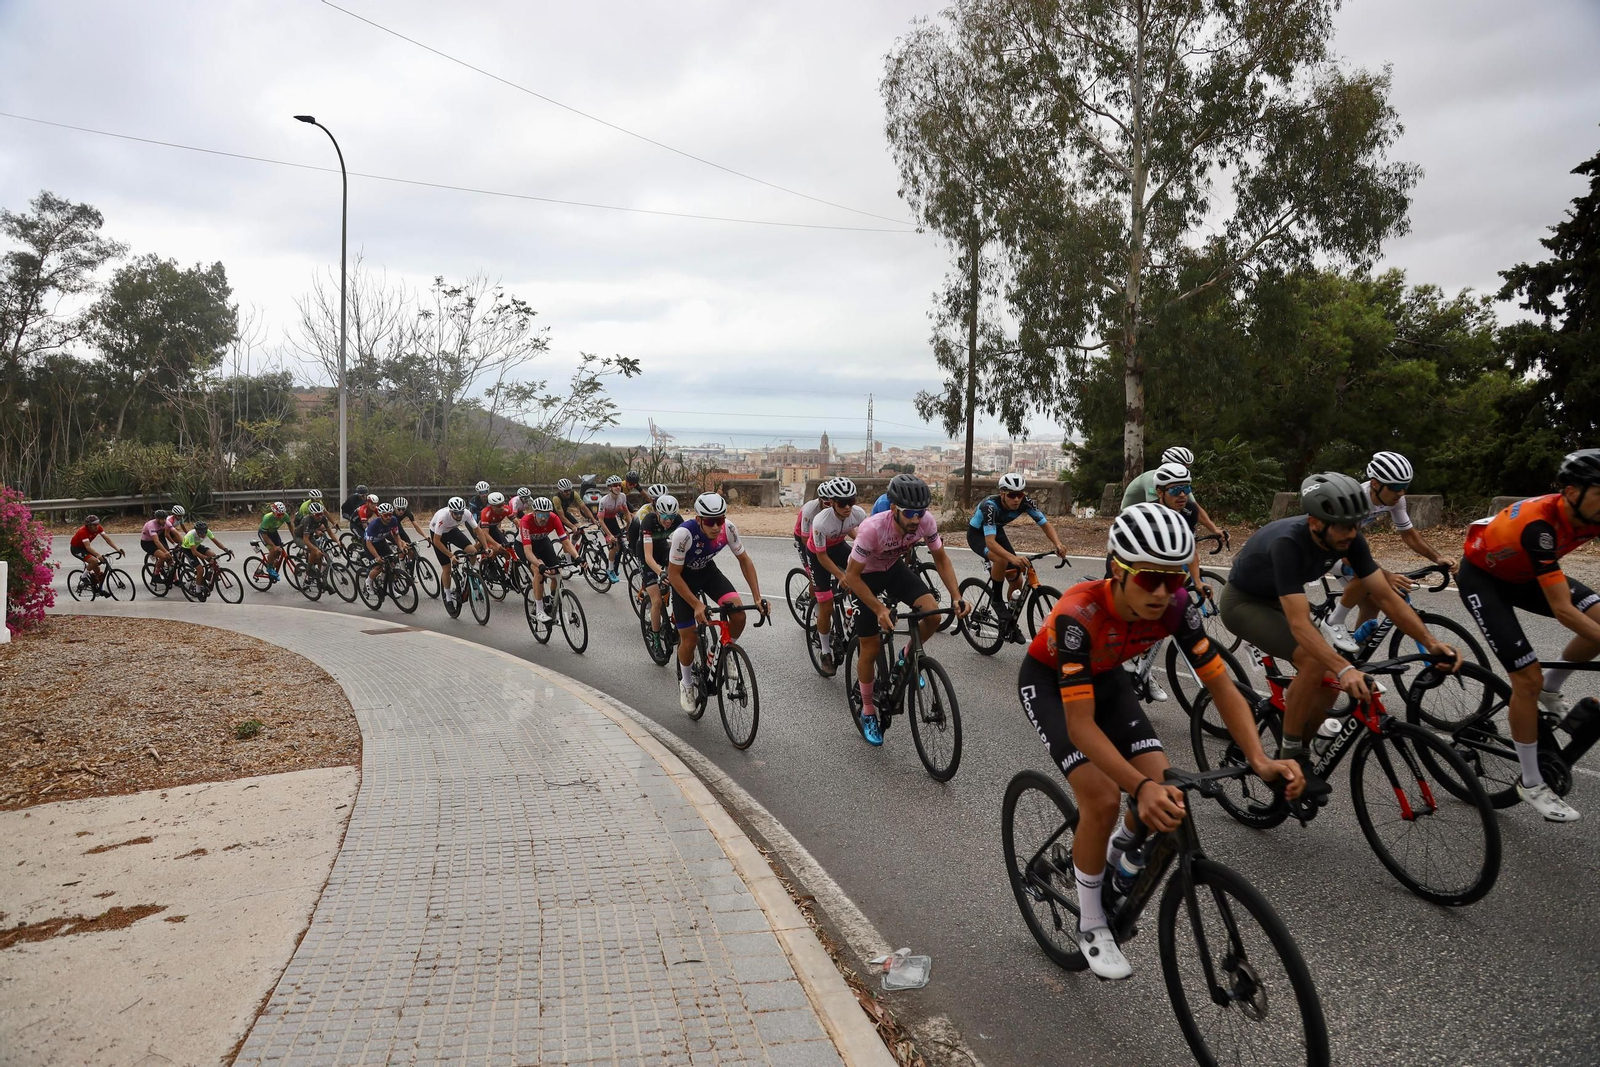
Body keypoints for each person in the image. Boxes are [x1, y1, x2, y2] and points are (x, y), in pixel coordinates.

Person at [1019, 503, 1303, 979]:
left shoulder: (1176, 606)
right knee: (1103, 795)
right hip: (1050, 683)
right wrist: (1138, 788)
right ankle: (1091, 921)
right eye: (1150, 578)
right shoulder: (1078, 613)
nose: (1162, 591)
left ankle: (1117, 849)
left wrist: (1260, 757)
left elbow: (1220, 686)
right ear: (1117, 569)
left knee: (1163, 782)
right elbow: (1082, 727)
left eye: (1173, 578)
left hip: (1108, 678)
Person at [1219, 472, 1461, 770]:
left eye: (1357, 524)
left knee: (1330, 679)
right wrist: (1344, 669)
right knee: (1316, 660)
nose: (1353, 533)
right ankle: (1290, 753)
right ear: (1316, 523)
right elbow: (1298, 624)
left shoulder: (1350, 540)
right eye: (1345, 526)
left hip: (1280, 597)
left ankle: (1306, 743)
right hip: (1244, 602)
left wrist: (1431, 643)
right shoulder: (1288, 543)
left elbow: (1386, 597)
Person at [1456, 449, 1600, 822]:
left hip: (1525, 573)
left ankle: (1552, 690)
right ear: (1571, 491)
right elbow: (1564, 611)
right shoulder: (1540, 526)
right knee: (1526, 678)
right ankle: (1531, 781)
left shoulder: (1589, 510)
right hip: (1484, 579)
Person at [841, 474, 969, 745]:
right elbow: (851, 577)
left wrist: (956, 596)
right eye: (910, 513)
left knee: (932, 614)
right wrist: (878, 609)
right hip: (865, 578)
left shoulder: (926, 522)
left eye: (920, 513)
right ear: (894, 509)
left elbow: (942, 559)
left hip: (893, 569)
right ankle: (867, 711)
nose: (915, 519)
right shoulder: (872, 529)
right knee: (870, 647)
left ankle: (907, 655)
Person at [1337, 451, 1458, 642]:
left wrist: (1436, 557)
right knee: (1366, 577)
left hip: (1348, 543)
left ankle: (1354, 656)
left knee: (1372, 604)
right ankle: (1334, 621)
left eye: (1404, 486)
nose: (1401, 492)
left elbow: (1408, 534)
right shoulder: (1356, 500)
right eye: (1395, 487)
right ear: (1375, 484)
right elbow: (1345, 552)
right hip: (1328, 549)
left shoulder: (1395, 498)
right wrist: (1386, 575)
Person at [667, 493, 768, 713]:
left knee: (739, 614)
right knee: (689, 639)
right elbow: (673, 575)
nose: (716, 526)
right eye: (710, 521)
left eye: (720, 520)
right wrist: (695, 605)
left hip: (708, 573)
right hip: (683, 580)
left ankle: (722, 649)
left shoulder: (728, 529)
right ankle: (686, 684)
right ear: (699, 519)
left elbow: (745, 561)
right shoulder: (683, 534)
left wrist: (757, 597)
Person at [968, 472, 1068, 633]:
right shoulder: (990, 506)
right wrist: (1012, 558)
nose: (1016, 499)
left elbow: (1045, 524)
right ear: (1002, 494)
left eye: (1020, 495)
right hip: (978, 535)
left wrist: (1058, 544)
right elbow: (990, 543)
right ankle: (997, 600)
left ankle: (1008, 621)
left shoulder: (1026, 503)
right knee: (1001, 560)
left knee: (1017, 579)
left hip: (996, 531)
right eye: (1012, 495)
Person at [806, 478, 865, 676]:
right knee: (826, 604)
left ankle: (851, 616)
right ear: (832, 502)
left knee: (862, 576)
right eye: (842, 503)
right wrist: (840, 575)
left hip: (838, 546)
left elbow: (864, 540)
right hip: (818, 555)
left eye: (852, 501)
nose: (848, 507)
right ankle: (825, 652)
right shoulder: (821, 521)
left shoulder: (858, 514)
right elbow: (822, 556)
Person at [1120, 446, 1224, 541]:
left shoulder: (1178, 485)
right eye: (1182, 467)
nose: (1183, 471)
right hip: (1130, 517)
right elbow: (1156, 511)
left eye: (1187, 468)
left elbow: (1196, 508)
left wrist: (1214, 529)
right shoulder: (1154, 479)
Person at [518, 496, 581, 623]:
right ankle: (539, 610)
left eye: (546, 515)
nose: (543, 518)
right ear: (534, 513)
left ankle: (552, 602)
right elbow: (528, 552)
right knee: (538, 572)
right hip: (525, 546)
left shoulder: (554, 518)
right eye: (540, 515)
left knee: (557, 573)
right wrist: (538, 564)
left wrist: (578, 557)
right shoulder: (526, 521)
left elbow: (566, 542)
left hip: (542, 542)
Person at [428, 496, 493, 610]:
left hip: (452, 530)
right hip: (438, 535)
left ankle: (470, 571)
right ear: (451, 511)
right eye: (456, 513)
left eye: (460, 513)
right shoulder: (443, 517)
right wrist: (451, 555)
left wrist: (486, 547)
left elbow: (478, 530)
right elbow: (436, 541)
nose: (459, 516)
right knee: (447, 569)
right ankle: (448, 596)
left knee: (472, 551)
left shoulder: (466, 513)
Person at [637, 493, 684, 645]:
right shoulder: (648, 522)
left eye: (672, 516)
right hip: (646, 554)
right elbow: (649, 557)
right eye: (665, 516)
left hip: (663, 549)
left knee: (680, 581)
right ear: (657, 513)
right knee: (656, 601)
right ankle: (656, 640)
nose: (669, 520)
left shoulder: (677, 521)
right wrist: (661, 572)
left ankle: (675, 612)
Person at [70, 515, 122, 589]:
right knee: (94, 561)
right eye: (94, 525)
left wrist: (117, 549)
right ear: (89, 526)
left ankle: (101, 588)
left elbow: (107, 539)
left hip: (85, 548)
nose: (96, 526)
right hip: (76, 549)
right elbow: (88, 547)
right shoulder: (83, 531)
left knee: (97, 569)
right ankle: (83, 577)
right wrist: (98, 555)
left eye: (97, 524)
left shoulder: (98, 528)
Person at [596, 475, 632, 582]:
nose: (618, 487)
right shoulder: (604, 501)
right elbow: (601, 520)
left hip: (613, 520)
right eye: (615, 485)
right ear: (609, 488)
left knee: (620, 544)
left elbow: (626, 512)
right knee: (613, 546)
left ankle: (613, 562)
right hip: (603, 522)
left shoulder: (622, 496)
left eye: (619, 485)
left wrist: (629, 524)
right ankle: (610, 569)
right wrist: (609, 535)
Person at [363, 502, 406, 588]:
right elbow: (369, 543)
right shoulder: (374, 525)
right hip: (370, 544)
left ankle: (390, 586)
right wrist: (377, 557)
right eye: (386, 515)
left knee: (392, 564)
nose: (389, 517)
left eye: (390, 514)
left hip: (381, 541)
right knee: (378, 566)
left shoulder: (393, 520)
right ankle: (368, 581)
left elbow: (396, 535)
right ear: (380, 515)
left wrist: (400, 547)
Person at [179, 520, 232, 589]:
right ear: (197, 531)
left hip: (197, 545)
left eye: (205, 533)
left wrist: (226, 549)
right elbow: (194, 552)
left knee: (213, 555)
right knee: (200, 570)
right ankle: (198, 590)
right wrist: (206, 558)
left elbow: (217, 542)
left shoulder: (207, 531)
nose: (203, 535)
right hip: (188, 549)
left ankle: (209, 574)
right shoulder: (191, 535)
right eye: (201, 533)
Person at [258, 501, 294, 581]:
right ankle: (269, 568)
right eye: (279, 515)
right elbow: (264, 536)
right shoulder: (267, 518)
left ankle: (272, 561)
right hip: (265, 534)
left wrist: (294, 537)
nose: (281, 517)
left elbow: (290, 526)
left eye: (282, 514)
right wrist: (273, 547)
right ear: (274, 513)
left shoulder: (285, 516)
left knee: (279, 551)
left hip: (274, 533)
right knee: (273, 550)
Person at [140, 509, 175, 576]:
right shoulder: (151, 525)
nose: (164, 521)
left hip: (157, 540)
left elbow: (175, 532)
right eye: (162, 519)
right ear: (157, 519)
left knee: (170, 559)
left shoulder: (166, 522)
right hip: (147, 543)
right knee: (164, 557)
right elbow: (156, 541)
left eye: (165, 518)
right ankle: (156, 574)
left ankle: (174, 579)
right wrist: (166, 552)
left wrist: (181, 543)